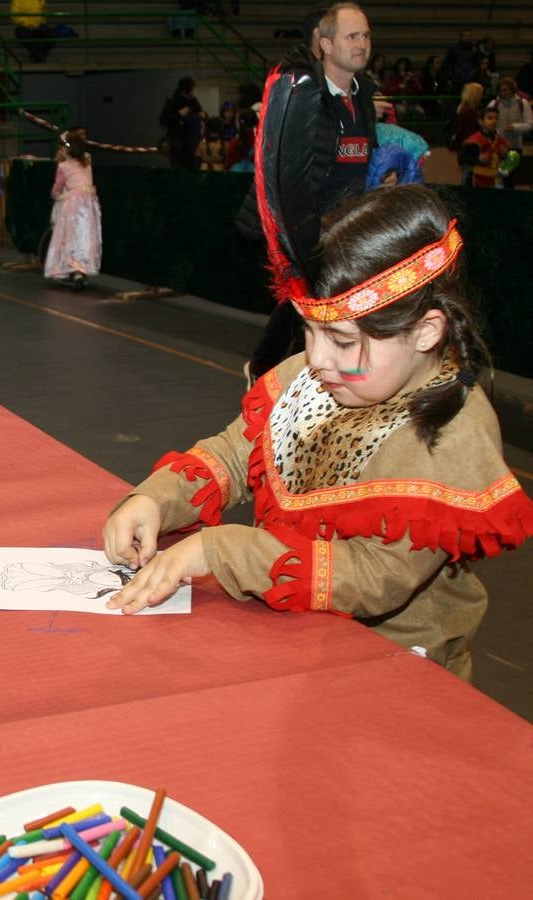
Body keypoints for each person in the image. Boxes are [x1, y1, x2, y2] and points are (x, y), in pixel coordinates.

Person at [103, 185, 533, 681]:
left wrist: (220, 550)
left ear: (426, 331)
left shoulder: (452, 434)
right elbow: (237, 454)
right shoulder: (321, 376)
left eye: (342, 340)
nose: (317, 358)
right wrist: (157, 499)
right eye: (308, 330)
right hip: (293, 633)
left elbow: (375, 576)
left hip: (394, 666)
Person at [242, 3, 377, 385]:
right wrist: (298, 233)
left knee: (314, 307)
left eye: (366, 35)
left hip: (347, 223)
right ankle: (265, 370)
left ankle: (292, 374)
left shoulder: (363, 96)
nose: (362, 44)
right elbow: (282, 171)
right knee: (305, 303)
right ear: (326, 45)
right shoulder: (303, 95)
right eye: (352, 36)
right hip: (308, 226)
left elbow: (360, 155)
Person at [43, 130, 100, 287]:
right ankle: (79, 270)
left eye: (61, 148)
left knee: (69, 236)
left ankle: (69, 268)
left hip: (73, 206)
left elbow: (57, 187)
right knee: (84, 237)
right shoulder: (86, 163)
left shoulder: (64, 166)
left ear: (66, 149)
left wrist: (56, 195)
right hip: (89, 205)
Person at [487, 76, 531, 189]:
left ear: (512, 89)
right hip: (496, 147)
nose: (503, 93)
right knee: (495, 179)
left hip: (514, 148)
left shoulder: (523, 103)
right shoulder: (493, 104)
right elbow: (487, 124)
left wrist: (514, 127)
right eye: (500, 90)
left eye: (505, 90)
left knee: (510, 180)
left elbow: (530, 125)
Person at [460, 106, 511, 189]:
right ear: (481, 121)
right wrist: (478, 159)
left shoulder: (502, 142)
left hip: (496, 182)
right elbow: (461, 159)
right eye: (490, 118)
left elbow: (508, 164)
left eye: (496, 118)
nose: (493, 121)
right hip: (476, 182)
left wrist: (505, 155)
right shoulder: (473, 141)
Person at [159, 76, 204, 169]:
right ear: (184, 91)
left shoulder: (193, 100)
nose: (192, 93)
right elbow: (163, 120)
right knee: (178, 169)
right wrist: (179, 114)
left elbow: (200, 112)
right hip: (177, 142)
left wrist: (203, 115)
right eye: (191, 90)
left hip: (192, 142)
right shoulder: (173, 101)